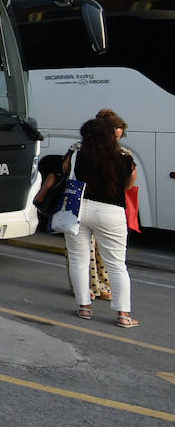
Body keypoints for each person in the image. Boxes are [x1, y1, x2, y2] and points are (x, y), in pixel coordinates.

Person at [63, 116, 139, 328]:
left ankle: (84, 308)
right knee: (117, 265)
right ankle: (123, 315)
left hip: (79, 209)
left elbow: (66, 172)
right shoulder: (124, 157)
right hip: (111, 211)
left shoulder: (77, 155)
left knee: (79, 260)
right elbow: (130, 182)